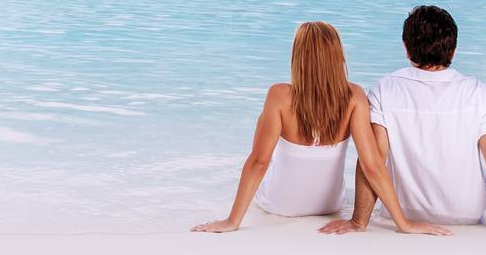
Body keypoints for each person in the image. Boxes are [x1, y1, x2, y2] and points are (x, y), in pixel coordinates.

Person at [319, 5, 486, 249]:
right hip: (467, 216)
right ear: (452, 50)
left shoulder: (385, 90)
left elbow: (374, 160)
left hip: (405, 213)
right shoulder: (479, 94)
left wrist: (359, 221)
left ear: (407, 48)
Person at [191, 21, 451, 236]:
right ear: (338, 56)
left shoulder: (279, 95)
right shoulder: (354, 96)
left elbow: (259, 162)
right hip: (329, 205)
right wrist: (403, 223)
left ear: (298, 57)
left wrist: (232, 221)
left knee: (263, 126)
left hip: (279, 205)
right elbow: (372, 165)